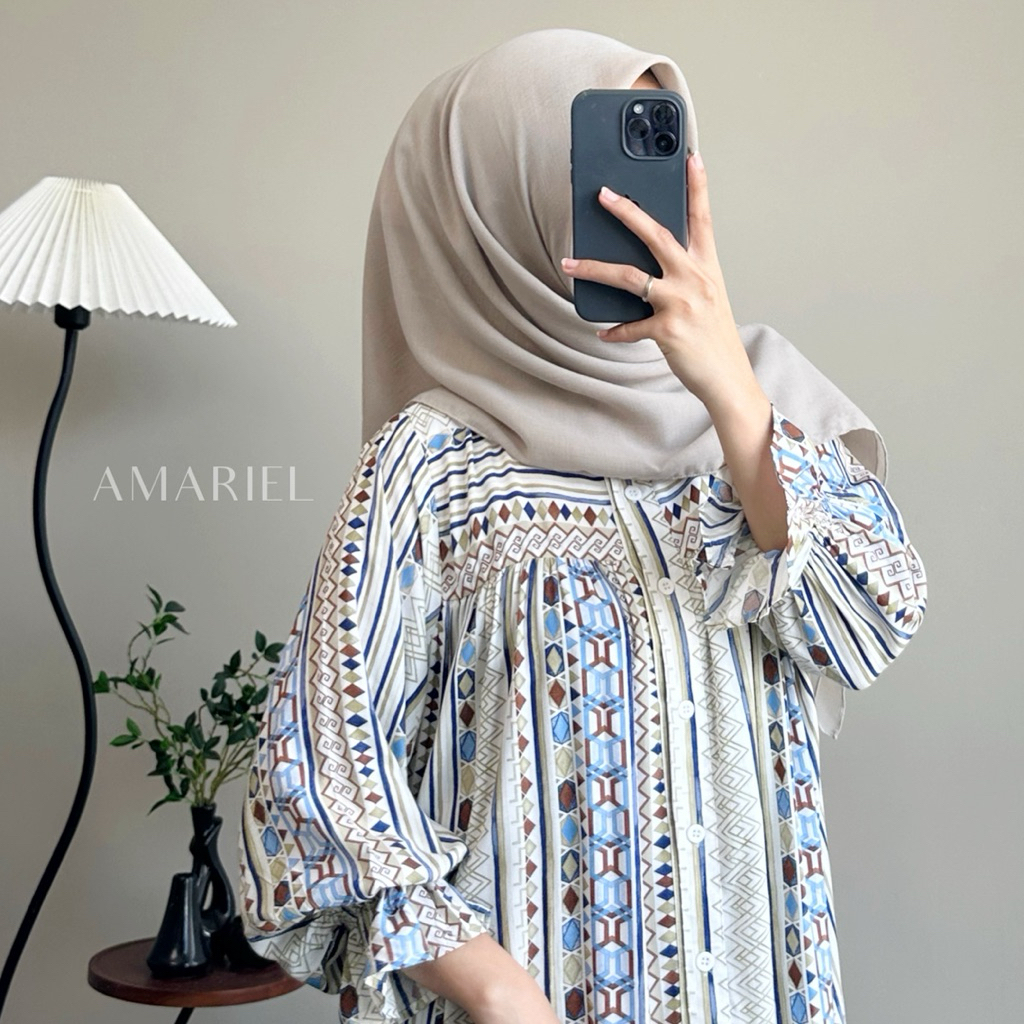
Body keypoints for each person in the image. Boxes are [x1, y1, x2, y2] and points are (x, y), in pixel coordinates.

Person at [237, 27, 928, 1024]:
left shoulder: (763, 409)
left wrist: (731, 392)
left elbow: (872, 616)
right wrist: (497, 992)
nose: (617, 202)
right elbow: (313, 783)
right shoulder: (429, 469)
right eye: (585, 166)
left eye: (653, 150)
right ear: (488, 197)